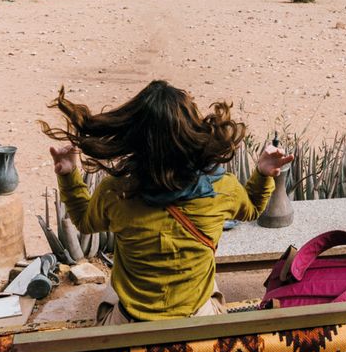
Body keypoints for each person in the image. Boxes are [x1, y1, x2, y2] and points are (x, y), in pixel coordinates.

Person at [44, 80, 293, 323]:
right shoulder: (222, 188)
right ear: (192, 132)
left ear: (134, 136)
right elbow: (251, 209)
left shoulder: (115, 193)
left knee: (113, 287)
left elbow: (85, 222)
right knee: (210, 280)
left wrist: (67, 175)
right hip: (198, 325)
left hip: (129, 330)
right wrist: (262, 173)